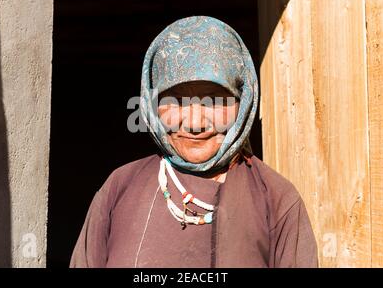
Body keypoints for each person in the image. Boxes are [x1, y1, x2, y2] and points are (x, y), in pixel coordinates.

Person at [70, 16, 318, 268]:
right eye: (175, 101)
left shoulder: (276, 199)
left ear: (243, 102)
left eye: (215, 100)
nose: (195, 123)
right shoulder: (120, 188)